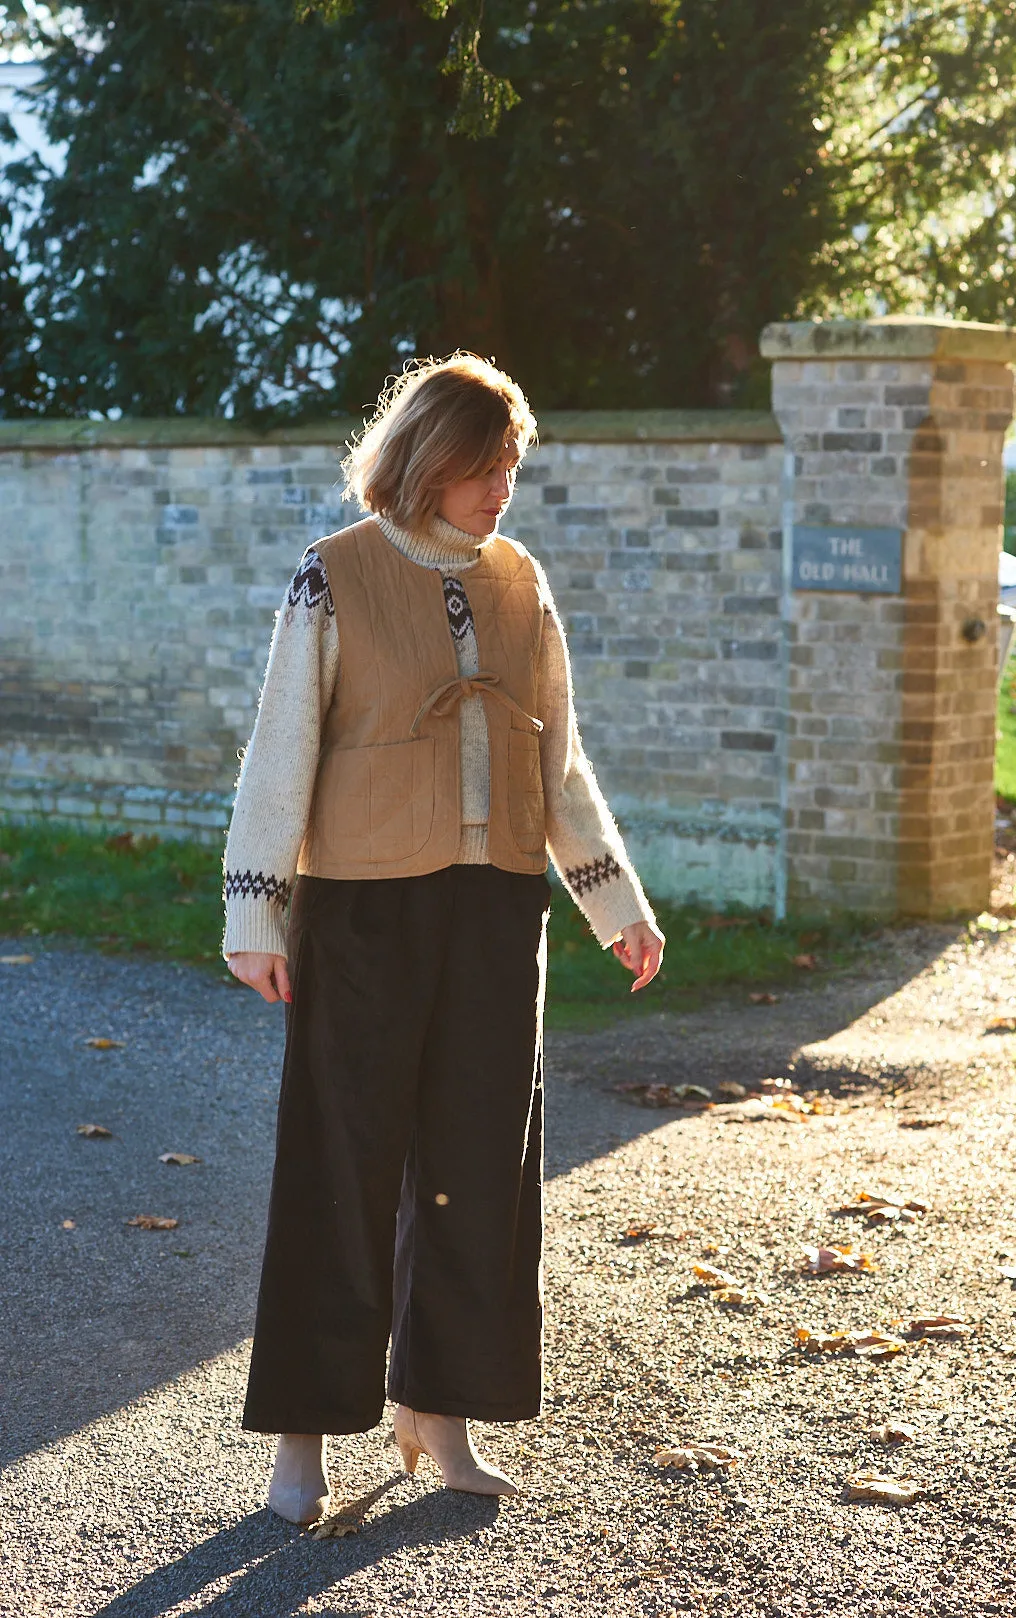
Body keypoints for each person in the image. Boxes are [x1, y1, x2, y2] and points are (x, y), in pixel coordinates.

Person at [222, 353, 665, 1525]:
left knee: (480, 1168)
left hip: (496, 905)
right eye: (485, 462)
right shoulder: (335, 576)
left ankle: (442, 1415)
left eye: (514, 463)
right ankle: (302, 1445)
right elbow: (281, 753)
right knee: (342, 1166)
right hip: (363, 905)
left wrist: (613, 901)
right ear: (426, 456)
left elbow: (556, 760)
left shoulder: (523, 584)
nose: (503, 485)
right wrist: (254, 911)